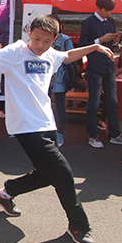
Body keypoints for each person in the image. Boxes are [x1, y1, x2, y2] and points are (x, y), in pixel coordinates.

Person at [0, 14, 115, 243]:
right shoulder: (16, 51)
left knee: (46, 174)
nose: (40, 45)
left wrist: (94, 47)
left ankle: (5, 193)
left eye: (47, 41)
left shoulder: (50, 54)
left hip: (47, 123)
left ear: (55, 39)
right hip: (25, 125)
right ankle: (79, 226)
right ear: (29, 33)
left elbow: (67, 56)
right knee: (63, 172)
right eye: (36, 39)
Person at [79, 0, 122, 148]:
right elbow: (83, 45)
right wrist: (100, 40)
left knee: (113, 102)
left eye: (110, 10)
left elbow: (110, 46)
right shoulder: (88, 22)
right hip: (95, 66)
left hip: (109, 65)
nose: (108, 13)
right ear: (99, 8)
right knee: (94, 102)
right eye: (106, 10)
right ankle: (93, 135)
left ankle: (115, 134)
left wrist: (114, 40)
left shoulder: (111, 22)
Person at [50, 18, 74, 147]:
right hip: (44, 78)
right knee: (44, 107)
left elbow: (70, 58)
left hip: (59, 78)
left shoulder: (65, 39)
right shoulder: (43, 39)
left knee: (59, 108)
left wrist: (57, 55)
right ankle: (47, 133)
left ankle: (60, 133)